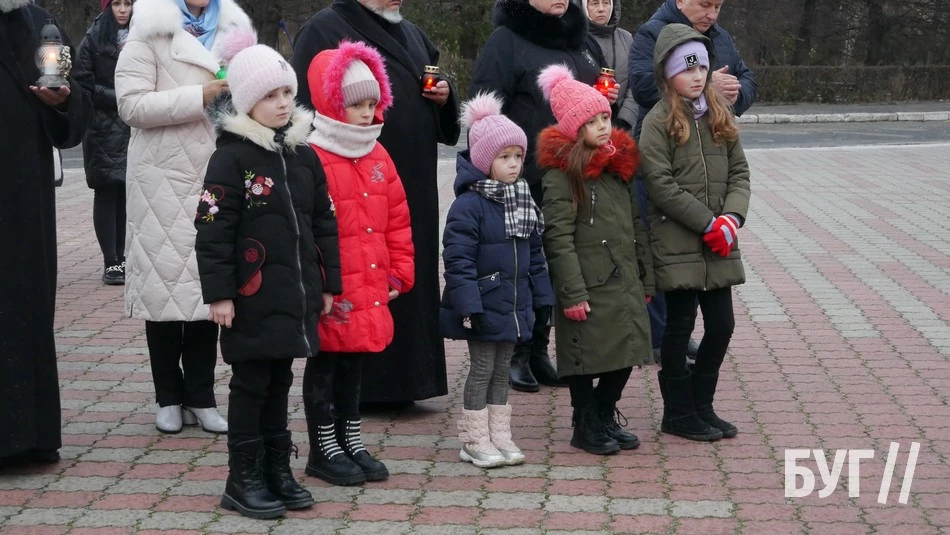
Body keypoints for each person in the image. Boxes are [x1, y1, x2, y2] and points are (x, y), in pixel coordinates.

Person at [194, 31, 341, 519]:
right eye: (269, 96)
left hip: (294, 294)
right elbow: (212, 229)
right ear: (246, 102)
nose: (281, 104)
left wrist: (328, 284)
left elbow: (324, 221)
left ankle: (279, 469)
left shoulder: (304, 155)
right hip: (250, 295)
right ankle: (244, 476)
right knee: (251, 383)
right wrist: (220, 294)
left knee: (281, 381)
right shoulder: (230, 157)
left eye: (286, 93)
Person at [292, 0, 460, 406]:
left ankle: (412, 380)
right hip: (351, 184)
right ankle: (368, 389)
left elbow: (436, 88)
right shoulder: (323, 29)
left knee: (405, 271)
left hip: (410, 182)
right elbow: (303, 108)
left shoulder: (413, 34)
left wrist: (445, 97)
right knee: (360, 278)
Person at [115, 0, 254, 435]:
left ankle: (202, 396)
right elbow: (131, 106)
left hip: (217, 173)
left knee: (206, 288)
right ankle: (168, 397)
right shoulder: (149, 28)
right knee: (164, 289)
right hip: (160, 178)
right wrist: (200, 96)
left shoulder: (234, 26)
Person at [469, 0, 614, 393]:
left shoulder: (580, 39)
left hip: (578, 179)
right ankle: (515, 352)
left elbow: (594, 94)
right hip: (524, 178)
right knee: (523, 266)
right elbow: (484, 112)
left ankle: (540, 349)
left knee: (558, 265)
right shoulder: (506, 41)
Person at [301, 41, 415, 486]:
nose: (367, 114)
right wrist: (318, 283)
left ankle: (350, 437)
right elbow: (306, 229)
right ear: (333, 102)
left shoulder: (378, 155)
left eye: (373, 103)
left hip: (369, 283)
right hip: (333, 288)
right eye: (356, 105)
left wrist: (398, 273)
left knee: (355, 368)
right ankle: (323, 446)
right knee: (326, 366)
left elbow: (398, 220)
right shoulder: (314, 156)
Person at [638, 24, 751, 442]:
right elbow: (660, 184)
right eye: (687, 70)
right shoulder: (657, 122)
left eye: (701, 68)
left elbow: (739, 172)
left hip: (720, 241)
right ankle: (678, 413)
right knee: (680, 325)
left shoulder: (719, 114)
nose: (697, 77)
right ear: (669, 75)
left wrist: (730, 220)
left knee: (721, 325)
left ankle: (703, 404)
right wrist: (707, 222)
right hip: (678, 242)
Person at [629, 0, 757, 363]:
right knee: (669, 273)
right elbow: (642, 84)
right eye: (705, 4)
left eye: (718, 6)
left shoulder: (720, 37)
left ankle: (698, 398)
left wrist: (728, 95)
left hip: (714, 195)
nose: (712, 14)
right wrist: (707, 86)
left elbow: (748, 81)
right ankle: (661, 345)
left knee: (719, 319)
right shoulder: (652, 33)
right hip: (672, 176)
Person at [535, 65, 653, 455]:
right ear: (573, 127)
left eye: (605, 116)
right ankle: (584, 421)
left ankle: (605, 411)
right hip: (587, 283)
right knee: (586, 356)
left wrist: (645, 278)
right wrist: (570, 292)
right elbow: (558, 236)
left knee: (627, 351)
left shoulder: (617, 167)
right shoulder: (562, 176)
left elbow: (635, 225)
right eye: (592, 121)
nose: (604, 126)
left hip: (623, 279)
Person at [0, 0, 92, 467]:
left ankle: (31, 436)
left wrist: (65, 100)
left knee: (26, 309)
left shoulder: (37, 22)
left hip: (23, 198)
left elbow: (80, 101)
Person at [441, 92, 556, 468]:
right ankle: (474, 438)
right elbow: (457, 260)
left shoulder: (522, 199)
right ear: (483, 159)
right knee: (481, 369)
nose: (513, 165)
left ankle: (499, 433)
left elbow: (535, 254)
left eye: (518, 157)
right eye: (504, 157)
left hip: (514, 303)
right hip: (484, 302)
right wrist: (468, 304)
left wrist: (542, 297)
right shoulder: (469, 205)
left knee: (503, 368)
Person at [74, 0, 133, 285]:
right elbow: (82, 81)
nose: (123, 9)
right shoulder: (93, 37)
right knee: (107, 190)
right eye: (117, 4)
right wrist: (119, 99)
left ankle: (124, 256)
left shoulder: (143, 35)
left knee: (127, 193)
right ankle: (111, 260)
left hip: (135, 124)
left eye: (128, 3)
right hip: (102, 126)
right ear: (107, 7)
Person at [575, 0, 638, 130]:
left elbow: (635, 82)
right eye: (594, 3)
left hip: (623, 128)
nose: (601, 9)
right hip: (586, 127)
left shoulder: (626, 38)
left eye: (606, 3)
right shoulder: (575, 39)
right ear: (583, 6)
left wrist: (624, 120)